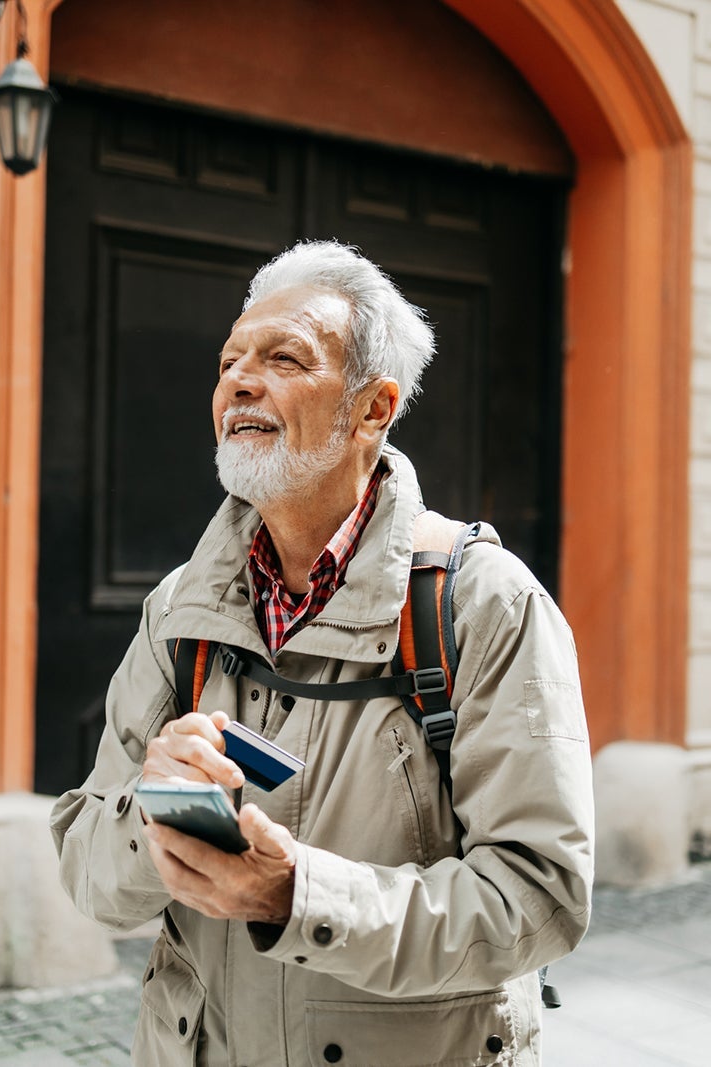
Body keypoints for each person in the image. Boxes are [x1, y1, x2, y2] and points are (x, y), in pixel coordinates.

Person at [49, 241, 594, 1066]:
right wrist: (155, 812)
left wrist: (297, 895)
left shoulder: (483, 604)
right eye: (229, 360)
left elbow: (539, 897)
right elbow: (89, 868)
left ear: (374, 408)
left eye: (283, 358)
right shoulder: (179, 608)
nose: (238, 380)